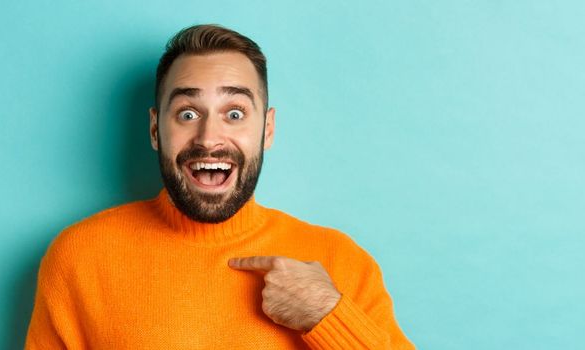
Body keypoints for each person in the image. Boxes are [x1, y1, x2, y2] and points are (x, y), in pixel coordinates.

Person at [24, 24, 415, 349]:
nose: (209, 137)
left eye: (234, 113)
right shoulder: (80, 258)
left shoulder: (341, 263)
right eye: (188, 113)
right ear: (154, 130)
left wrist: (327, 316)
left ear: (268, 129)